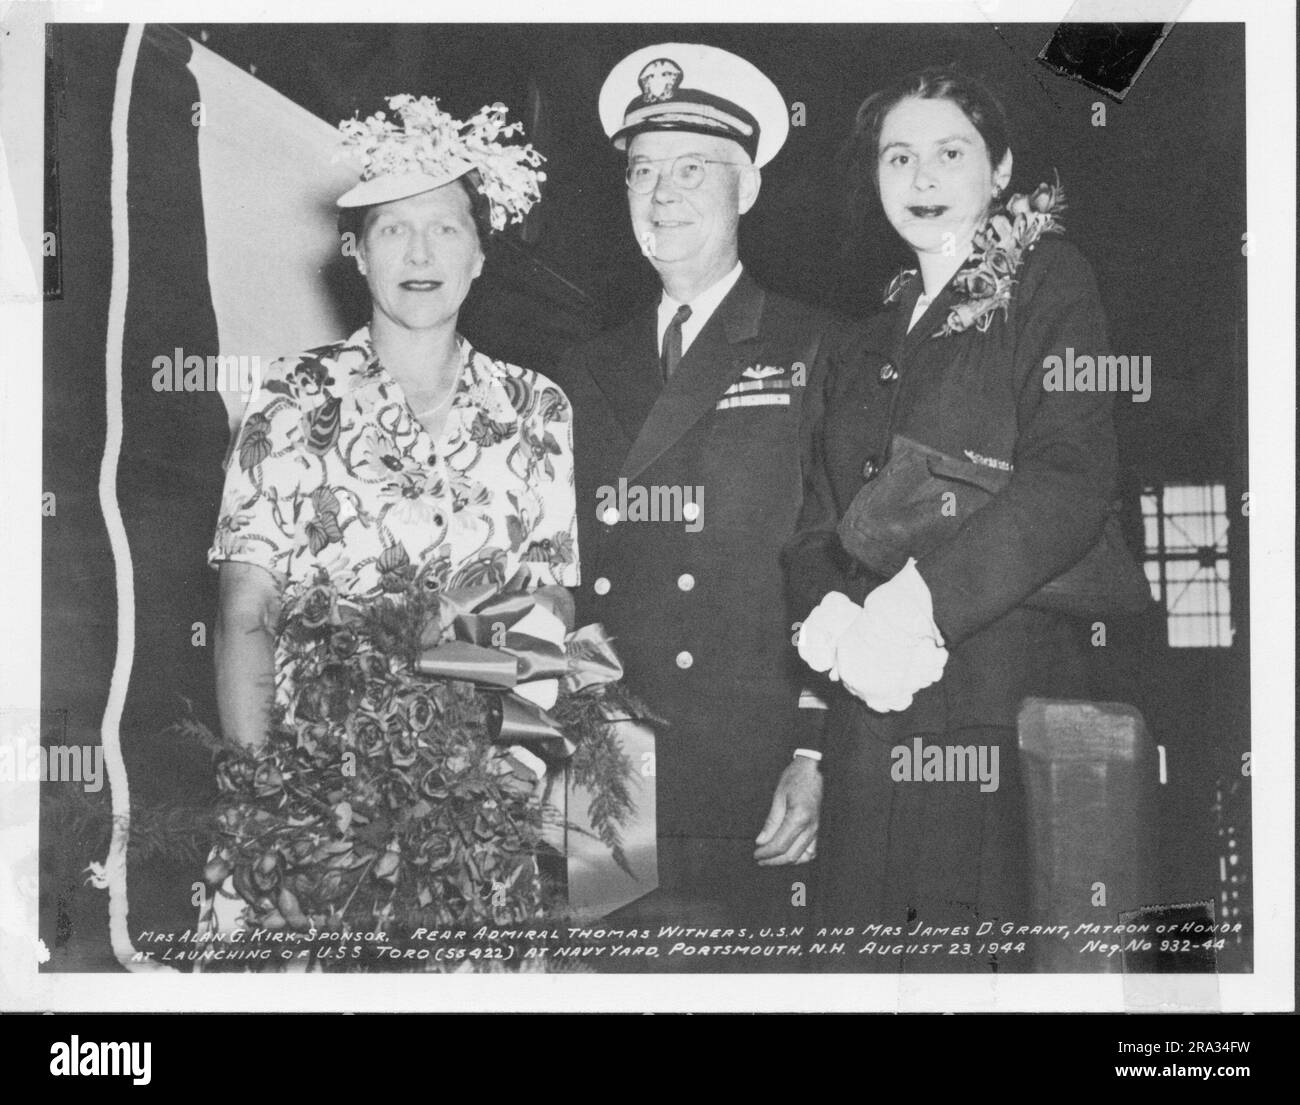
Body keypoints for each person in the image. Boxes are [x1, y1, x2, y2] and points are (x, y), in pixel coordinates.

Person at [204, 94, 576, 932]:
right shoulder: (290, 399)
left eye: (445, 228)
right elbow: (245, 613)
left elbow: (546, 614)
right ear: (358, 255)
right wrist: (272, 813)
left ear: (481, 253)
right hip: (311, 808)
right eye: (392, 230)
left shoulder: (538, 408)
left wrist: (506, 787)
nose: (419, 252)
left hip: (476, 810)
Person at [784, 67, 1125, 972]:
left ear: (1000, 170)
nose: (922, 177)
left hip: (996, 697)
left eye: (950, 152)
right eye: (899, 156)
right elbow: (815, 522)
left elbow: (1072, 478)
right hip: (871, 713)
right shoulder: (859, 341)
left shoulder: (1050, 279)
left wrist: (921, 604)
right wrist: (829, 615)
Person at [553, 43, 867, 936]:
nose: (663, 196)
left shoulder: (818, 348)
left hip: (755, 758)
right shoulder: (578, 367)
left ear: (749, 188)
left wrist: (815, 753)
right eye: (642, 171)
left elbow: (846, 566)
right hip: (604, 753)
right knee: (599, 985)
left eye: (694, 169)